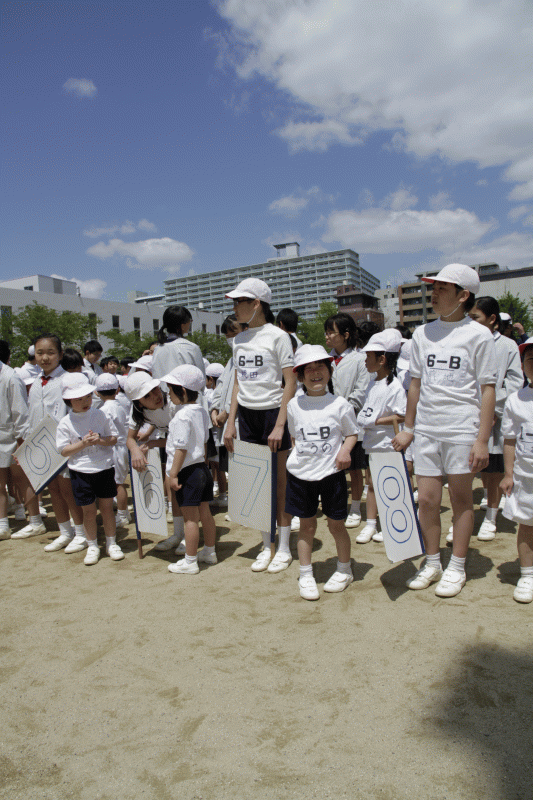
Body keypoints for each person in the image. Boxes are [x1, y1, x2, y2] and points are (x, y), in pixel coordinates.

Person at [392, 264, 496, 598]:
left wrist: (482, 440)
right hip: (427, 428)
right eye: (433, 289)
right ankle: (433, 561)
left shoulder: (479, 335)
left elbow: (488, 389)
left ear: (463, 295)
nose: (434, 295)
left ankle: (458, 565)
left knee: (462, 499)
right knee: (427, 500)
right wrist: (409, 428)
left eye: (442, 289)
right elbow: (415, 385)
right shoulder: (422, 334)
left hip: (462, 428)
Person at [223, 278, 296, 573]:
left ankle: (284, 546)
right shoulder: (238, 340)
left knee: (280, 482)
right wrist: (230, 422)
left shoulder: (278, 337)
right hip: (247, 416)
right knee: (259, 482)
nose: (234, 308)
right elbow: (237, 383)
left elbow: (290, 382)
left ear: (256, 304)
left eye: (239, 302)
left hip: (273, 413)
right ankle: (267, 544)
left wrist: (280, 424)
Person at [285, 345, 358, 600]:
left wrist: (345, 451)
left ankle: (344, 569)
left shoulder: (340, 404)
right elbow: (294, 436)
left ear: (329, 371)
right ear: (300, 375)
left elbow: (352, 433)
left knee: (336, 525)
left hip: (331, 474)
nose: (315, 373)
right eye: (308, 369)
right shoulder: (293, 405)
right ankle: (306, 574)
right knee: (306, 526)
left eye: (320, 367)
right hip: (301, 476)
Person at [13, 334, 87, 552]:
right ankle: (65, 532)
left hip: (65, 446)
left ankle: (81, 533)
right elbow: (31, 416)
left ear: (60, 354)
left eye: (50, 353)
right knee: (53, 489)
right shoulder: (36, 382)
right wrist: (27, 446)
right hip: (43, 448)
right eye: (40, 353)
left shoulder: (68, 380)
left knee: (67, 490)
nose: (45, 358)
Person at [459, 297, 522, 541]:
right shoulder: (466, 342)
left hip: (495, 417)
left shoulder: (507, 346)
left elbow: (514, 381)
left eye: (476, 317)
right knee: (468, 467)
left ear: (492, 319)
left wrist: (493, 408)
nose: (470, 322)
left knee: (493, 467)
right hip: (467, 414)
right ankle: (462, 517)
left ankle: (491, 516)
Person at [56, 373, 123, 565]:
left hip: (104, 468)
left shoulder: (100, 414)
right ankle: (92, 545)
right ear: (68, 401)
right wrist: (83, 444)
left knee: (107, 508)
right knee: (89, 511)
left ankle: (111, 543)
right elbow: (63, 450)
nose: (85, 401)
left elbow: (113, 438)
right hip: (80, 472)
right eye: (78, 399)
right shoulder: (65, 422)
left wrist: (99, 440)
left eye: (87, 396)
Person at [162, 365, 217, 574]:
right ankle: (209, 552)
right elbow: (203, 442)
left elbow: (181, 447)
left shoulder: (181, 416)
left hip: (186, 471)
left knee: (190, 519)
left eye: (171, 390)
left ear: (182, 391)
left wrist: (173, 474)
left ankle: (190, 561)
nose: (169, 394)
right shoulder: (201, 411)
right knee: (205, 513)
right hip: (201, 468)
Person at [355, 330, 406, 543]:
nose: (365, 360)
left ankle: (389, 522)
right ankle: (371, 523)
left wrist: (376, 421)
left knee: (389, 484)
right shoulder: (372, 383)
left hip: (388, 443)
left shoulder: (395, 386)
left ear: (382, 359)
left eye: (369, 356)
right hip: (372, 443)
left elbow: (402, 415)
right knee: (371, 482)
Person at [125, 371, 184, 552]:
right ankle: (178, 534)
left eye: (155, 389)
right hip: (171, 445)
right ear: (138, 402)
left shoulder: (174, 403)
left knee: (188, 493)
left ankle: (189, 536)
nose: (155, 396)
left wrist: (152, 443)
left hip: (189, 448)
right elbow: (130, 438)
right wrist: (135, 450)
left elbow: (182, 440)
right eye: (147, 396)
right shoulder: (137, 411)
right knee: (173, 489)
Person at [324, 314, 373, 529]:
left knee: (354, 468)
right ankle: (337, 503)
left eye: (331, 332)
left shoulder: (360, 359)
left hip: (351, 420)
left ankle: (355, 507)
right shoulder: (325, 359)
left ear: (345, 335)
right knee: (333, 466)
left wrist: (342, 412)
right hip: (328, 421)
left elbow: (361, 391)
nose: (327, 336)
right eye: (326, 332)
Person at [500, 336, 533, 602]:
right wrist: (508, 474)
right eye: (530, 359)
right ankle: (527, 574)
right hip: (526, 476)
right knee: (527, 524)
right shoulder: (516, 399)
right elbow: (510, 439)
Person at [0, 342, 33, 540]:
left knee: (22, 480)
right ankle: (3, 523)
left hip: (12, 436)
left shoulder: (10, 376)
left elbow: (20, 411)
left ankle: (35, 520)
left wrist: (22, 441)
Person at [94, 373, 131, 527]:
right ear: (117, 390)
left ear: (97, 393)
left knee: (118, 483)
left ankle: (122, 515)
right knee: (119, 481)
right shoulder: (120, 406)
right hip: (122, 446)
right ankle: (124, 513)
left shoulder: (103, 410)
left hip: (114, 448)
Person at [151, 306, 205, 378]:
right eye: (190, 321)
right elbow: (201, 378)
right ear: (182, 325)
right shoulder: (191, 348)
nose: (190, 324)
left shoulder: (157, 349)